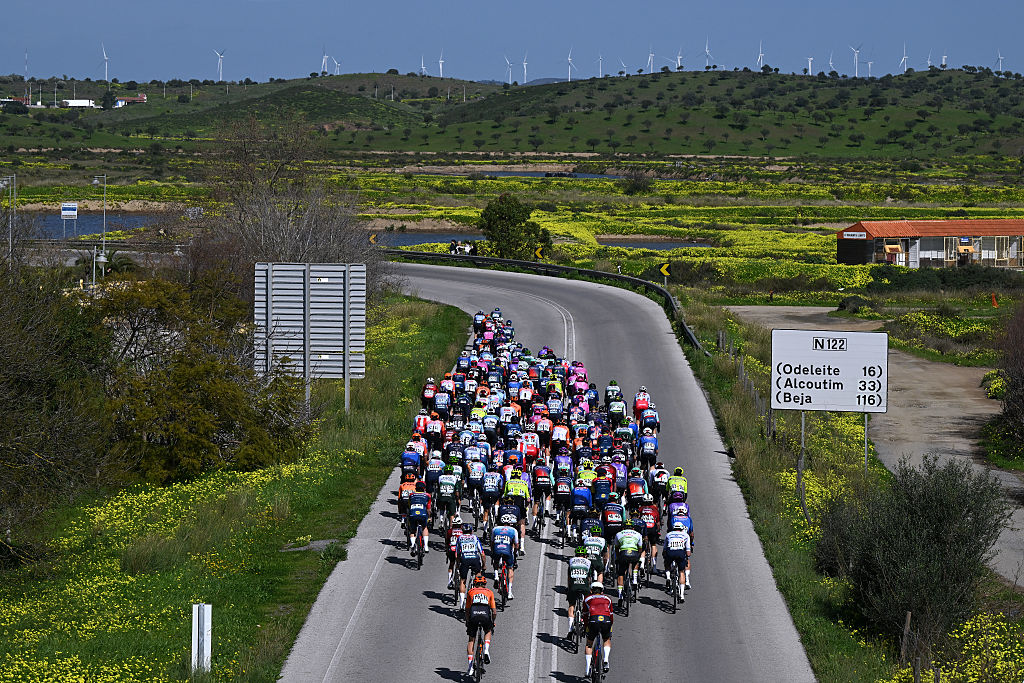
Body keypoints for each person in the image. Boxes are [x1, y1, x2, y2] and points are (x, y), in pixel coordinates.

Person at [465, 574, 497, 675]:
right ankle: (486, 650)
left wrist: (467, 621)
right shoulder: (489, 592)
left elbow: (467, 610)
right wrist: (493, 621)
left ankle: (470, 667)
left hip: (474, 616)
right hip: (485, 615)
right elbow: (494, 611)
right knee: (487, 630)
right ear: (484, 584)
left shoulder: (471, 592)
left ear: (475, 584)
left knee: (471, 639)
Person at [582, 580, 613, 676]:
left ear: (591, 590)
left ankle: (587, 669)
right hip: (606, 621)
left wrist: (586, 626)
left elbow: (585, 615)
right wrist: (610, 626)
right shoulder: (608, 599)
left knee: (589, 643)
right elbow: (611, 615)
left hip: (593, 621)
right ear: (602, 591)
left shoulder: (587, 599)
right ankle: (606, 660)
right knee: (606, 639)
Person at [613, 519, 644, 602]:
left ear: (623, 528)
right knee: (636, 562)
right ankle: (634, 579)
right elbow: (640, 548)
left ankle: (620, 595)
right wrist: (638, 556)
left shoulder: (618, 534)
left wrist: (618, 558)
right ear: (633, 528)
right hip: (633, 552)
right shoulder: (638, 534)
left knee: (621, 573)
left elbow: (616, 548)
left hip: (623, 553)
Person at [456, 524, 486, 609]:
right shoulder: (475, 538)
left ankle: (462, 603)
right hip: (475, 559)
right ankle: (478, 598)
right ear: (471, 531)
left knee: (463, 580)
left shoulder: (460, 538)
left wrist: (458, 564)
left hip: (464, 559)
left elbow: (457, 554)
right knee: (478, 577)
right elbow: (482, 554)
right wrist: (484, 565)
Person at [566, 546, 593, 636]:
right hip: (584, 585)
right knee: (588, 604)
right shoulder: (588, 562)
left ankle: (570, 629)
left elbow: (569, 577)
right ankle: (586, 625)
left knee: (571, 605)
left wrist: (569, 588)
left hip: (574, 585)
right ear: (585, 555)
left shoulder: (571, 561)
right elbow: (589, 578)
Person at [663, 520, 692, 601]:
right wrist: (687, 555)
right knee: (681, 572)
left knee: (667, 564)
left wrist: (665, 555)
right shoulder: (685, 535)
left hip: (670, 552)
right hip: (680, 553)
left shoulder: (668, 534)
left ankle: (668, 578)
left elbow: (665, 548)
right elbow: (688, 552)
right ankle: (682, 595)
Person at [490, 521, 519, 600]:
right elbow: (516, 544)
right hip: (507, 551)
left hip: (497, 549)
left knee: (495, 562)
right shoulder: (513, 530)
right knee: (510, 568)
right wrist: (515, 553)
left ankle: (496, 576)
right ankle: (509, 592)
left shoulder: (495, 529)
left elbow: (492, 542)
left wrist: (492, 551)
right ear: (510, 524)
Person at [406, 481, 431, 553]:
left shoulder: (411, 495)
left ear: (416, 488)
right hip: (422, 514)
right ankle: (426, 546)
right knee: (424, 527)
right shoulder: (427, 495)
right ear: (424, 488)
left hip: (413, 514)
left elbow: (409, 505)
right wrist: (429, 517)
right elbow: (428, 509)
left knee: (413, 530)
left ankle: (413, 544)